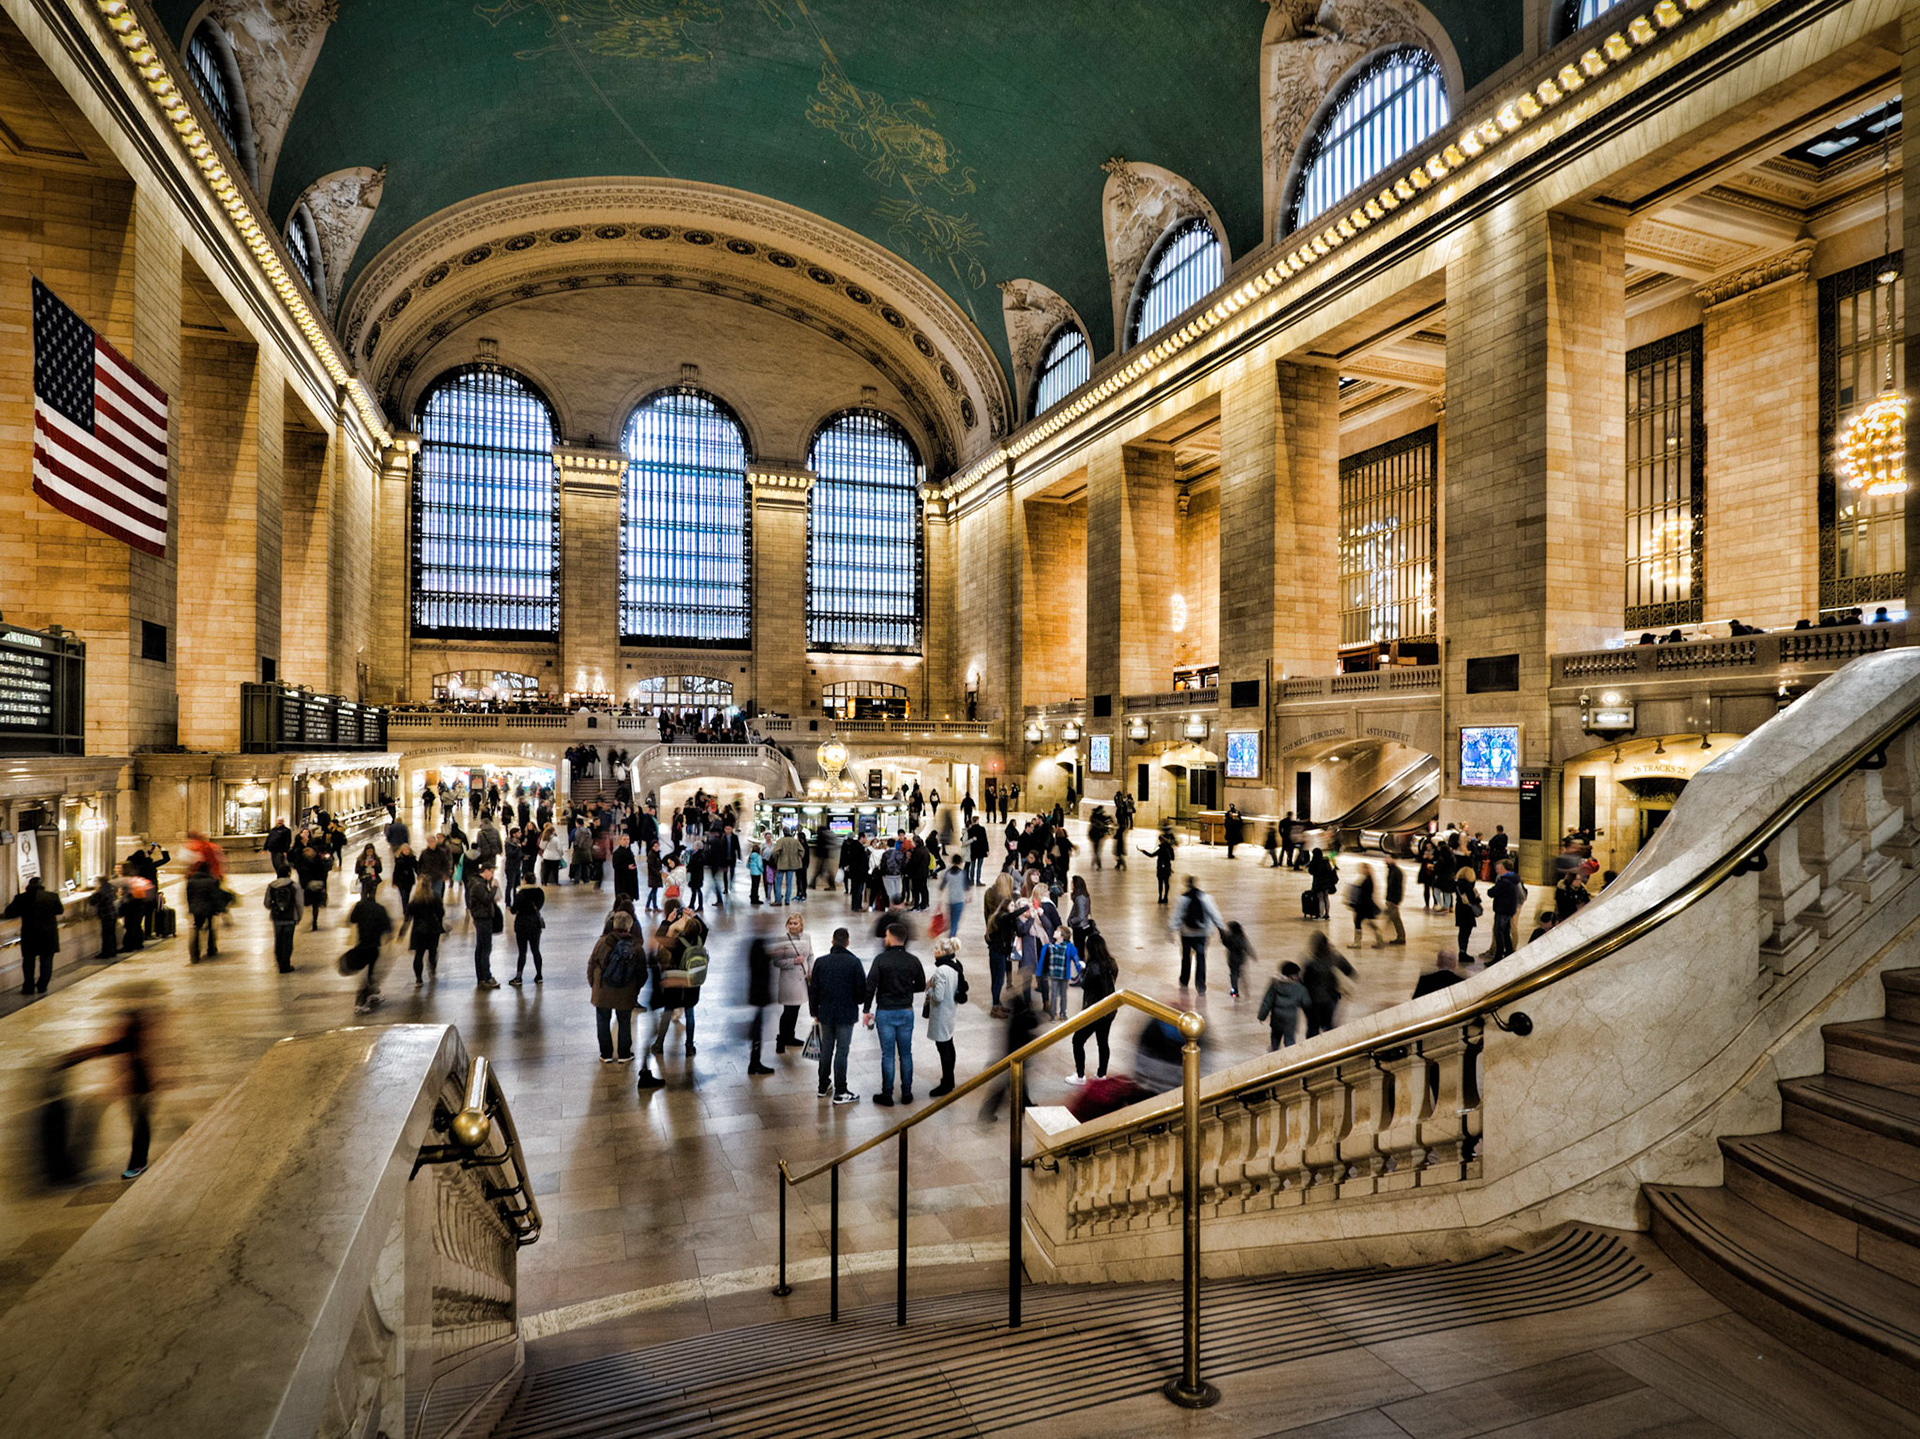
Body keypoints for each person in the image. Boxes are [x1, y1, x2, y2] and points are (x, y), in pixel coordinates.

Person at [59, 983, 161, 1178]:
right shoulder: (136, 1028)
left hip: (140, 1085)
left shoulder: (135, 1031)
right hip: (137, 1085)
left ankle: (138, 1163)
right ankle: (138, 1162)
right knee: (139, 1121)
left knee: (140, 1122)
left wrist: (83, 1054)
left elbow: (114, 1048)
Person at [864, 922, 927, 1106]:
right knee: (906, 1054)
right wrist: (906, 991)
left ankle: (887, 1094)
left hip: (885, 1012)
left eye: (886, 935)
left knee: (888, 1055)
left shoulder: (881, 960)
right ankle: (907, 1093)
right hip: (906, 1011)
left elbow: (871, 986)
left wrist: (867, 1010)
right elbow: (921, 985)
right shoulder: (913, 960)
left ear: (891, 936)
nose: (885, 938)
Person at [809, 927, 867, 1103]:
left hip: (825, 1012)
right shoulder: (854, 962)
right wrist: (856, 1002)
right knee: (842, 1051)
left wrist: (814, 1012)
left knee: (826, 1049)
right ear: (848, 942)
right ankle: (841, 1091)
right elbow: (861, 991)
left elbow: (814, 990)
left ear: (832, 941)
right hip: (846, 1013)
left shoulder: (820, 962)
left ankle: (823, 1085)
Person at [589, 911, 644, 1066]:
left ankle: (606, 1054)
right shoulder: (636, 946)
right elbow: (642, 973)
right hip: (626, 991)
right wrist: (635, 989)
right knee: (624, 1021)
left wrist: (593, 984)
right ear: (629, 926)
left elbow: (591, 964)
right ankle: (624, 1054)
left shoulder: (602, 942)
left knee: (603, 1021)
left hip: (602, 990)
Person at [1069, 923, 1118, 1084]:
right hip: (1109, 1009)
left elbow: (1084, 984)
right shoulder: (1111, 963)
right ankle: (1101, 1074)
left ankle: (1080, 1075)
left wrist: (1083, 969)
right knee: (1103, 1042)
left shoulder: (1093, 967)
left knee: (1078, 1040)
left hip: (1094, 1010)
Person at [5, 875, 63, 994]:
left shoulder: (21, 898)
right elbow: (60, 910)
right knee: (46, 961)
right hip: (48, 934)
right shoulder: (52, 896)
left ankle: (29, 986)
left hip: (30, 934)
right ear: (42, 885)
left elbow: (9, 913)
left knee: (28, 962)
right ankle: (42, 985)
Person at [1171, 877, 1226, 993]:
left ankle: (1184, 979)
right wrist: (1221, 928)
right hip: (1202, 933)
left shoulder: (1182, 899)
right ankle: (1200, 984)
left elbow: (1177, 916)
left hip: (1186, 934)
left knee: (1186, 957)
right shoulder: (1205, 897)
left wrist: (1172, 930)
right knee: (1201, 958)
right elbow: (1214, 913)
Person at [925, 936, 963, 1097]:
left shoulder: (941, 970)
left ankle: (947, 1082)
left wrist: (929, 989)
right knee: (949, 1044)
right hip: (950, 1011)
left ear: (942, 952)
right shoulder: (955, 966)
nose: (933, 952)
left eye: (936, 949)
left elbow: (938, 996)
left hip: (941, 1014)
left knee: (943, 1048)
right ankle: (949, 1078)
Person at [344, 889, 393, 1013]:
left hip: (362, 943)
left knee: (367, 973)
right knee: (369, 974)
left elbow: (352, 919)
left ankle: (371, 993)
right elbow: (387, 927)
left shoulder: (360, 907)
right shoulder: (380, 909)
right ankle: (361, 1001)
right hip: (374, 945)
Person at [1301, 931, 1355, 1038]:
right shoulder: (1334, 957)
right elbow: (1350, 972)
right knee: (1329, 1027)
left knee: (1312, 1028)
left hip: (1312, 1002)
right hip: (1329, 1000)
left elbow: (1304, 982)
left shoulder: (1309, 962)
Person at [772, 912, 813, 1053]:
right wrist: (792, 961)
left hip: (802, 981)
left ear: (801, 925)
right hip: (789, 982)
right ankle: (781, 1040)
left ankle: (790, 1036)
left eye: (795, 923)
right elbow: (776, 962)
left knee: (795, 1010)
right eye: (790, 923)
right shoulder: (781, 939)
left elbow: (810, 955)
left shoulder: (807, 937)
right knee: (788, 1011)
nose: (793, 926)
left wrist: (811, 970)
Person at [1257, 961, 1310, 1050]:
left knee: (1275, 1038)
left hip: (1276, 1017)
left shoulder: (1275, 984)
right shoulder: (1300, 988)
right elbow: (1306, 1002)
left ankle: (1274, 1053)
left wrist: (1262, 1016)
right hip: (1290, 1018)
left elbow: (1267, 1000)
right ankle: (1290, 1058)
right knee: (1289, 1039)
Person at [467, 861, 503, 989]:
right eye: (491, 872)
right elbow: (487, 899)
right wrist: (494, 888)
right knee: (485, 948)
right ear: (486, 870)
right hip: (482, 919)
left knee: (481, 948)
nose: (492, 874)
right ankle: (486, 977)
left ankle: (482, 977)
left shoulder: (479, 883)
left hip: (481, 918)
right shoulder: (478, 885)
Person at [184, 861, 228, 963]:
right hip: (209, 908)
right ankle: (211, 948)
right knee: (211, 927)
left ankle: (194, 954)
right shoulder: (211, 881)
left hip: (195, 909)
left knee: (196, 927)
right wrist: (221, 908)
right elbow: (216, 896)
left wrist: (190, 908)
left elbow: (188, 896)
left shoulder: (191, 881)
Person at [401, 879, 444, 984]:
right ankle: (432, 970)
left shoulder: (415, 901)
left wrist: (402, 932)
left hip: (419, 930)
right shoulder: (435, 898)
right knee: (433, 952)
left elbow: (408, 917)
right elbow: (441, 913)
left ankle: (418, 978)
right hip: (433, 930)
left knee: (419, 954)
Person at [263, 861, 302, 972]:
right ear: (289, 873)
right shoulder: (294, 886)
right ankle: (286, 963)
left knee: (278, 940)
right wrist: (298, 916)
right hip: (290, 918)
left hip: (277, 918)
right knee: (288, 940)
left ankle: (280, 963)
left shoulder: (271, 886)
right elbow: (299, 903)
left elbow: (267, 903)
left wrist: (275, 908)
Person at [510, 875, 546, 984]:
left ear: (524, 880)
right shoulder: (540, 892)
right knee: (536, 950)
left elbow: (513, 910)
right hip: (535, 923)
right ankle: (539, 975)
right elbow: (539, 906)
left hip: (522, 924)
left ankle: (518, 977)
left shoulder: (520, 894)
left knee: (522, 952)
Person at [1039, 924, 1079, 1021]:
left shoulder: (1069, 947)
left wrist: (1080, 971)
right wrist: (1040, 973)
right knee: (1053, 994)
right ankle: (1053, 1014)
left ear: (1063, 935)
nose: (1054, 932)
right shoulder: (1048, 946)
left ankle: (1063, 1013)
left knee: (1063, 995)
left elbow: (1076, 959)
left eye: (1057, 931)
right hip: (1053, 975)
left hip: (1064, 975)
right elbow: (1042, 961)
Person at [1488, 860, 1524, 963]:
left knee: (1499, 933)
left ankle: (1498, 957)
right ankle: (1509, 953)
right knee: (1506, 933)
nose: (1496, 870)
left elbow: (1491, 892)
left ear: (1504, 868)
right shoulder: (1514, 879)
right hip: (1509, 909)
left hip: (1503, 909)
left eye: (1498, 868)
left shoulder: (1505, 881)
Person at [89, 874, 119, 961]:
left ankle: (106, 952)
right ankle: (113, 951)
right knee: (112, 933)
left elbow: (92, 902)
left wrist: (94, 891)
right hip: (112, 913)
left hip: (105, 914)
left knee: (106, 934)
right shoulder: (111, 888)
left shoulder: (100, 892)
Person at [1222, 920, 1256, 1000]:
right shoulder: (1242, 937)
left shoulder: (1229, 937)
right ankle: (1246, 991)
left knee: (1233, 975)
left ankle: (1234, 991)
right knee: (1242, 975)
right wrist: (1252, 955)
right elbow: (1247, 947)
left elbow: (1225, 943)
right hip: (1240, 958)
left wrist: (1223, 935)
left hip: (1232, 958)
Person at [1454, 865, 1482, 961]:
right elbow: (1473, 899)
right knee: (1466, 932)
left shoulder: (1458, 883)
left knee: (1462, 931)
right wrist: (1478, 897)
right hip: (1467, 910)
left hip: (1460, 908)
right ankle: (1463, 953)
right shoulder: (1467, 885)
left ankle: (1462, 951)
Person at [1144, 828, 1176, 904]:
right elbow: (1173, 858)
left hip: (1160, 868)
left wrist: (1143, 851)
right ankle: (1165, 897)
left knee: (1160, 883)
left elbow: (1151, 855)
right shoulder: (1170, 849)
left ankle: (1160, 897)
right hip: (1167, 867)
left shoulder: (1161, 849)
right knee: (1166, 883)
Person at [940, 854, 967, 937]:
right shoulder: (962, 873)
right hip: (959, 900)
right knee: (955, 921)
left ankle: (951, 934)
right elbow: (966, 887)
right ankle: (952, 937)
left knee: (951, 920)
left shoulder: (947, 873)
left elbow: (942, 887)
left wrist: (940, 899)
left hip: (951, 900)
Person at [1382, 858, 1407, 945]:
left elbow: (1396, 887)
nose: (1385, 860)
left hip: (1393, 899)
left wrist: (1394, 900)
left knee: (1396, 919)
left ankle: (1401, 937)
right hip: (1391, 899)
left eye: (1387, 859)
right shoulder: (1392, 870)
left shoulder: (1396, 872)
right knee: (1391, 918)